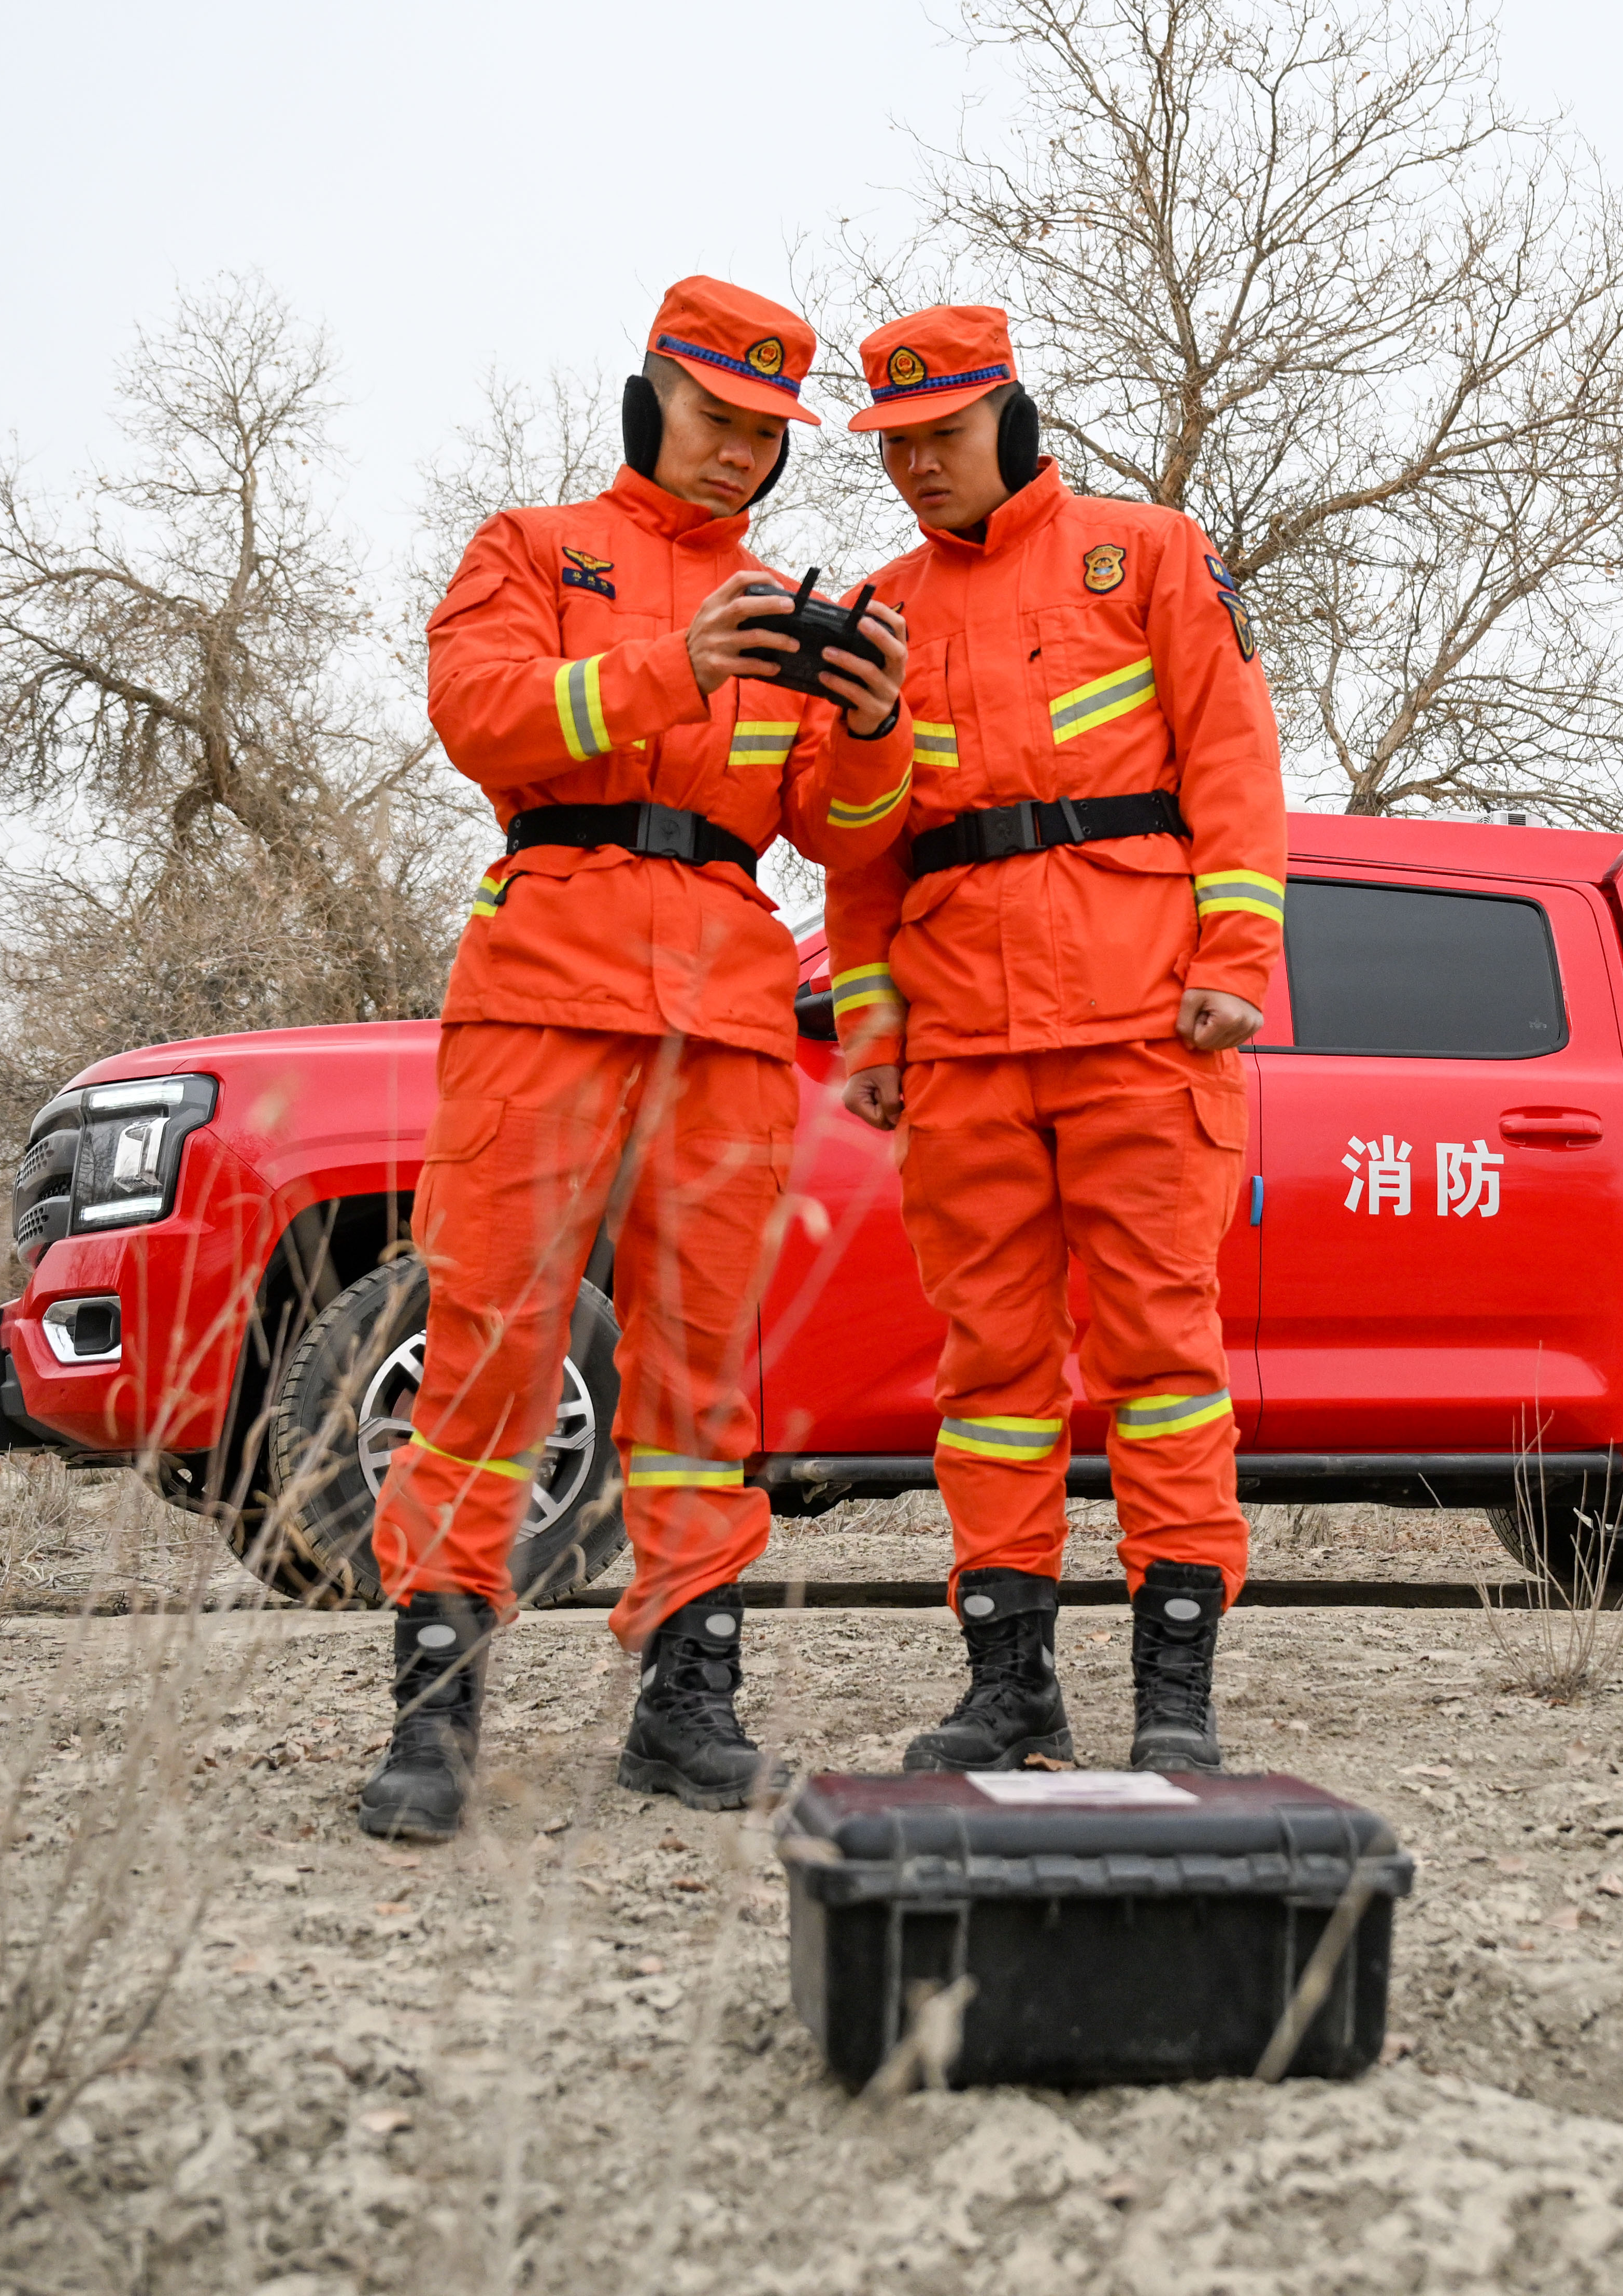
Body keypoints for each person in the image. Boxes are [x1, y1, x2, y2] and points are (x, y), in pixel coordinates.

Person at [356, 277, 914, 1842]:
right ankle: (434, 1715)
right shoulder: (531, 549)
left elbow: (839, 828)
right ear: (647, 398)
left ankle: (688, 1705)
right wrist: (679, 667)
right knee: (490, 1343)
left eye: (766, 435)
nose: (739, 454)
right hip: (543, 982)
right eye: (715, 418)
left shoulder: (784, 603)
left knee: (706, 1368)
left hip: (729, 1010)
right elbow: (479, 717)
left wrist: (869, 724)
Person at [823, 304, 1285, 1773]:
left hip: (1144, 1025)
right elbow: (860, 849)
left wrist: (1239, 952)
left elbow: (1231, 756)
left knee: (1161, 1355)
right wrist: (873, 1019)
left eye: (941, 440)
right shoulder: (882, 606)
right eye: (896, 450)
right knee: (991, 1376)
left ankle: (1177, 1691)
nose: (917, 471)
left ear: (1009, 415)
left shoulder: (1145, 550)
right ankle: (1010, 1683)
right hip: (962, 1045)